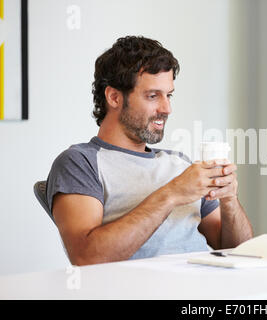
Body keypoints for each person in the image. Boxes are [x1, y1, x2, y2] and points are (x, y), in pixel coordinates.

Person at [46, 36, 253, 266]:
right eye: (153, 96)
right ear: (114, 97)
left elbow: (239, 253)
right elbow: (87, 256)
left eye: (169, 95)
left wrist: (229, 200)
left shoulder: (180, 164)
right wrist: (171, 194)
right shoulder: (80, 163)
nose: (167, 108)